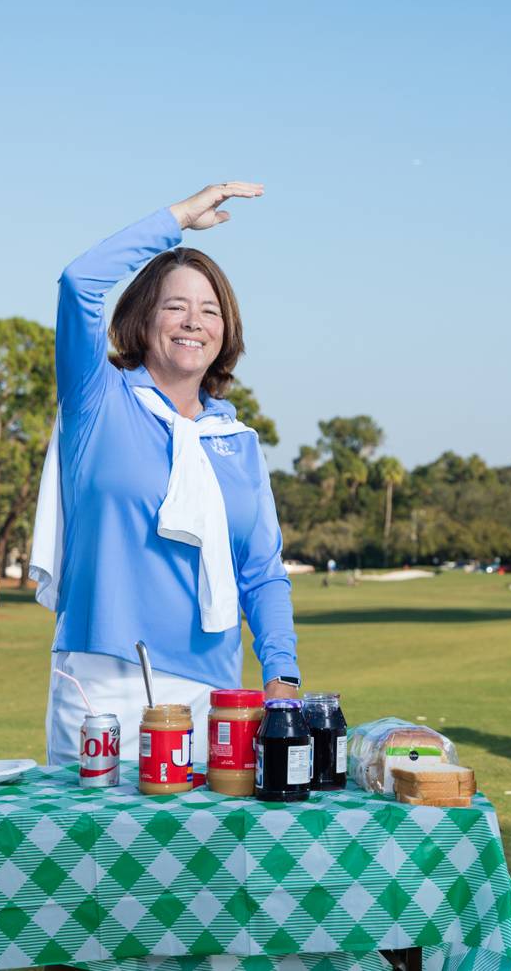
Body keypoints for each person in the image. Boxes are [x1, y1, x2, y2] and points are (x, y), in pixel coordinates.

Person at [30, 182, 301, 768]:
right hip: (101, 687)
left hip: (212, 698)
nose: (192, 322)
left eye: (210, 311)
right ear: (142, 317)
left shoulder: (239, 444)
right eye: (174, 305)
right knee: (92, 859)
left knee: (199, 860)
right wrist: (177, 220)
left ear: (225, 332)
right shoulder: (96, 399)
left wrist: (282, 674)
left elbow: (262, 573)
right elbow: (81, 283)